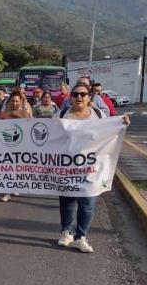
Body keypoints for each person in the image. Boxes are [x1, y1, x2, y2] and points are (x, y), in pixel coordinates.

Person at [56, 82, 130, 252]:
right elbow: (48, 135)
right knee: (67, 202)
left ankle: (81, 237)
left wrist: (122, 123)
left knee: (87, 203)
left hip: (91, 169)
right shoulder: (61, 114)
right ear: (70, 97)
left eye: (83, 94)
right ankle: (66, 232)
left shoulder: (98, 115)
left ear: (89, 98)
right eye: (75, 94)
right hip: (67, 169)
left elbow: (113, 129)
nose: (79, 97)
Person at [0, 90, 33, 202]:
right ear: (9, 102)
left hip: (21, 144)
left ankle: (16, 186)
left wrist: (18, 112)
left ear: (21, 101)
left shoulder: (25, 113)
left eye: (17, 101)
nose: (15, 103)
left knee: (18, 168)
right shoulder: (3, 114)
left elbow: (31, 125)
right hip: (6, 144)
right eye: (12, 101)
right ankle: (7, 192)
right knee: (7, 168)